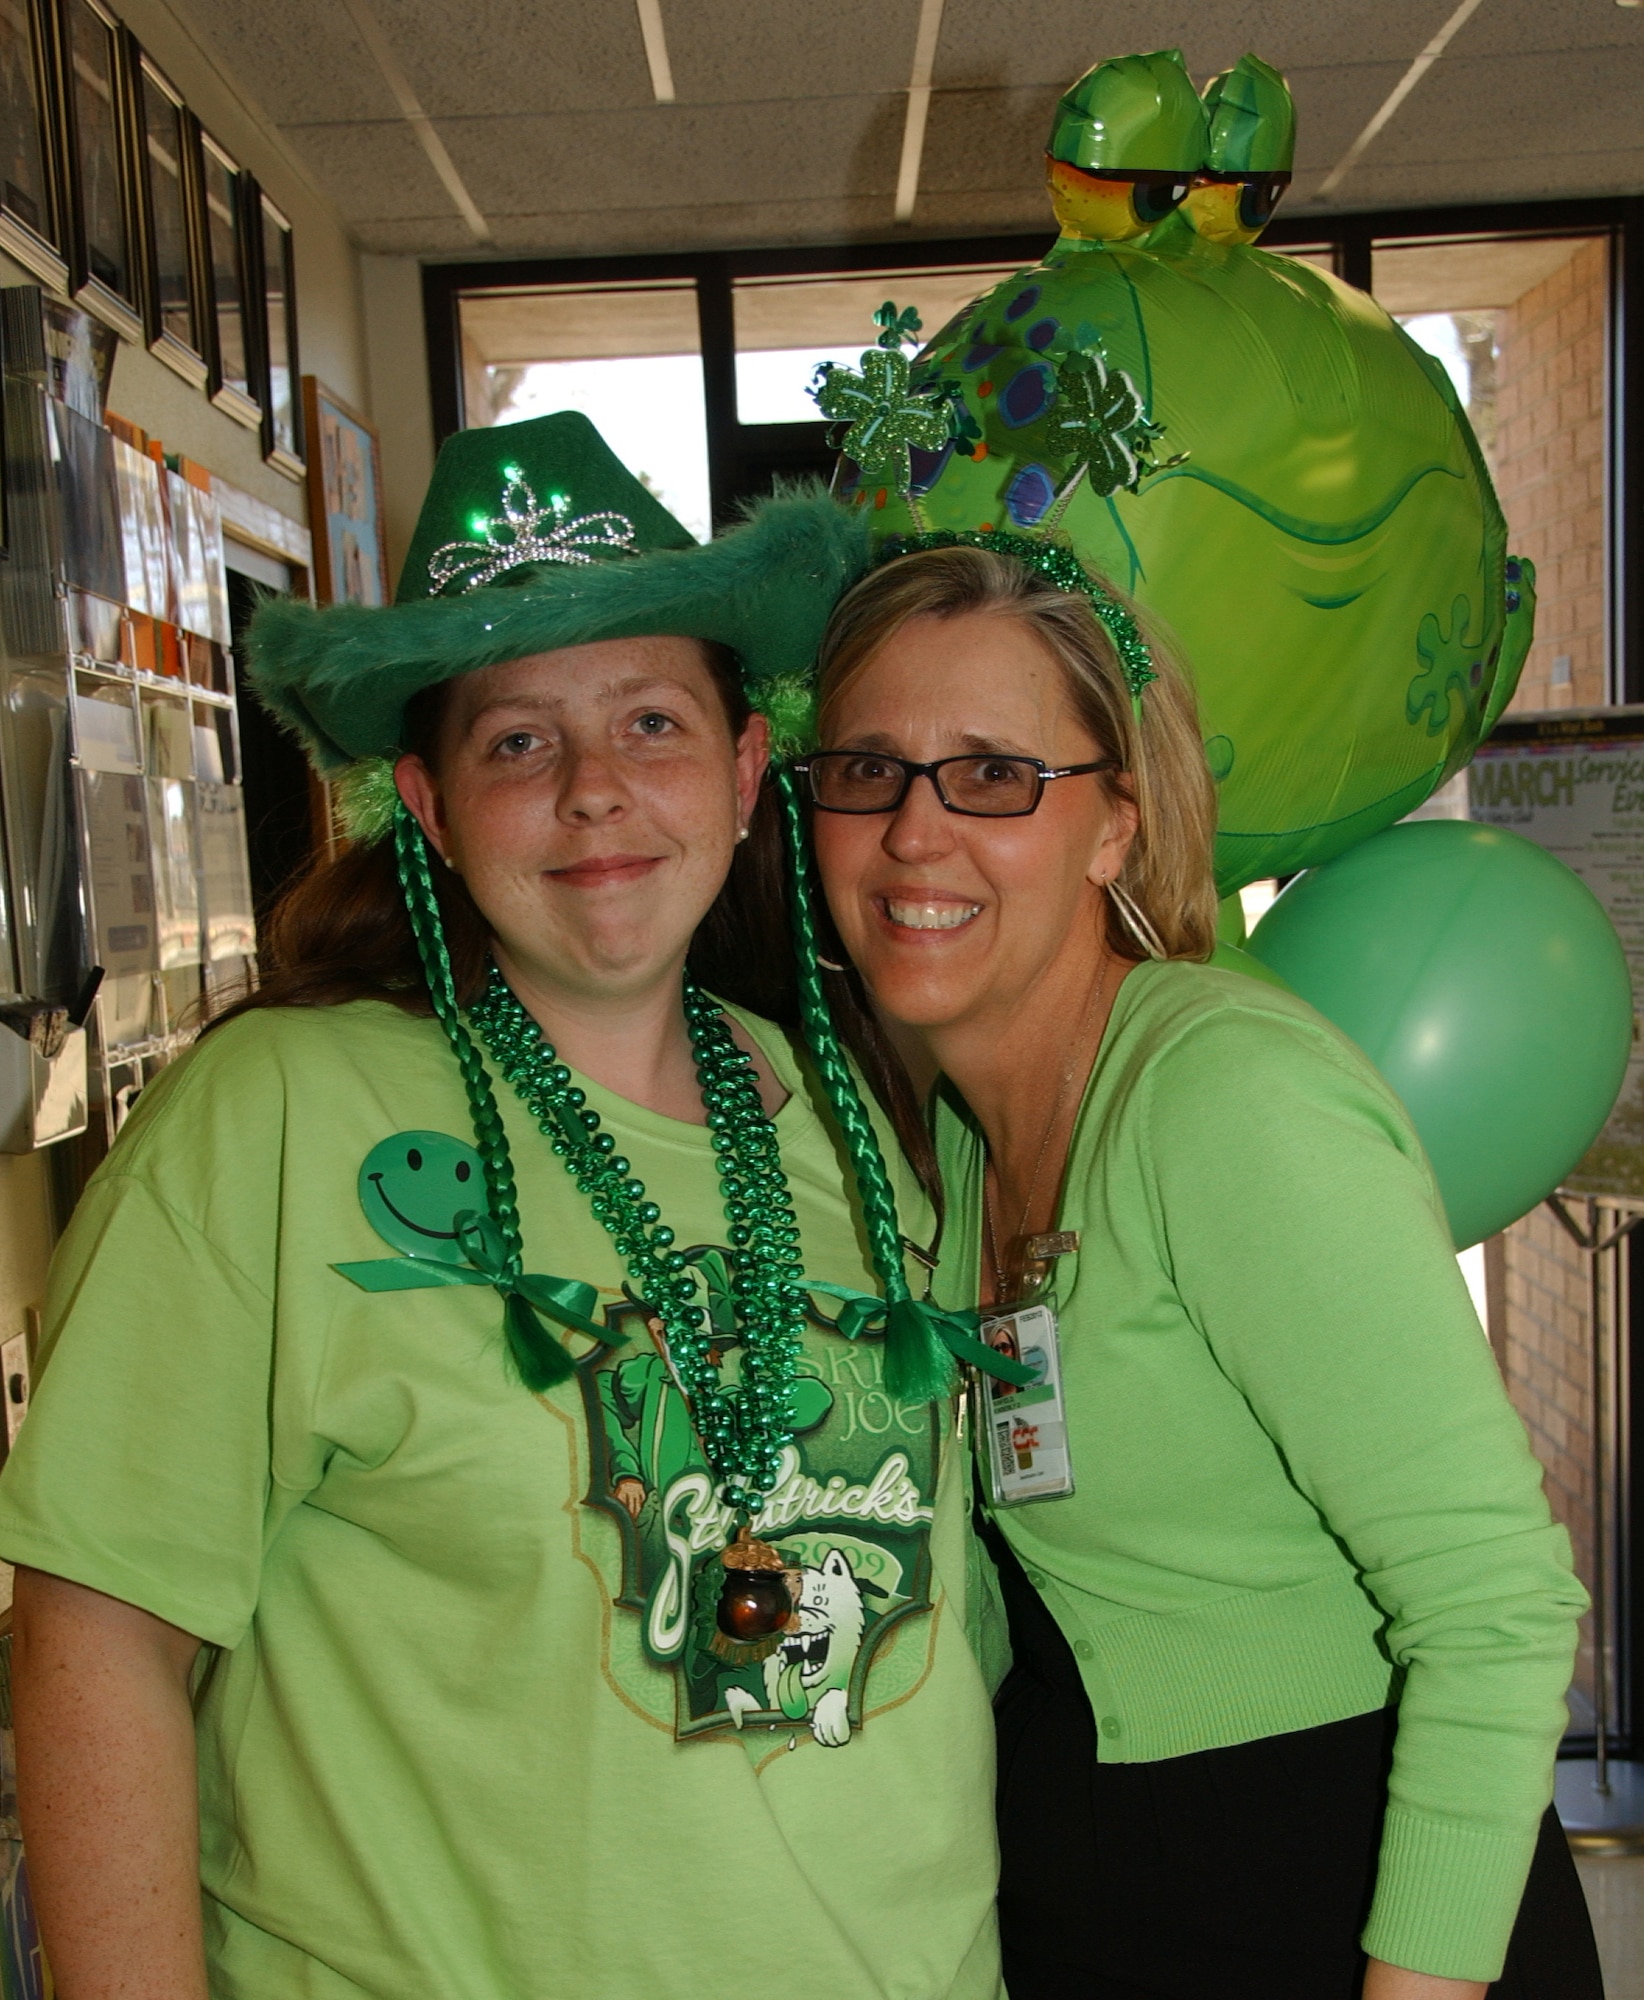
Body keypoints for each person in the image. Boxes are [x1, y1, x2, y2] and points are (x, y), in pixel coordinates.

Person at [0, 418, 1012, 2000]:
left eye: (653, 723)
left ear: (747, 773)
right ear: (428, 801)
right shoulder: (275, 1117)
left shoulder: (848, 1098)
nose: (597, 792)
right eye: (519, 743)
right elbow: (99, 1634)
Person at [798, 532, 1600, 2000]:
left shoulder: (1223, 1097)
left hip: (1340, 1899)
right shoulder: (966, 1140)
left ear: (1116, 822)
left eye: (993, 773)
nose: (915, 831)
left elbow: (1496, 1604)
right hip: (1118, 1894)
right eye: (866, 769)